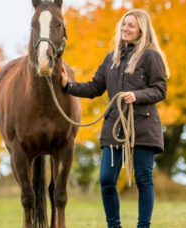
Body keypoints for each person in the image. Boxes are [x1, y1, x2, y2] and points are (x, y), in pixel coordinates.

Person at [61, 9, 170, 228]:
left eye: (131, 25)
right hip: (114, 127)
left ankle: (143, 226)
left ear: (141, 29)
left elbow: (160, 89)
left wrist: (137, 95)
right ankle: (114, 226)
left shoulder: (150, 56)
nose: (125, 29)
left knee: (143, 179)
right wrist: (67, 86)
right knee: (106, 180)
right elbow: (94, 88)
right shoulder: (111, 58)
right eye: (123, 24)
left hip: (142, 126)